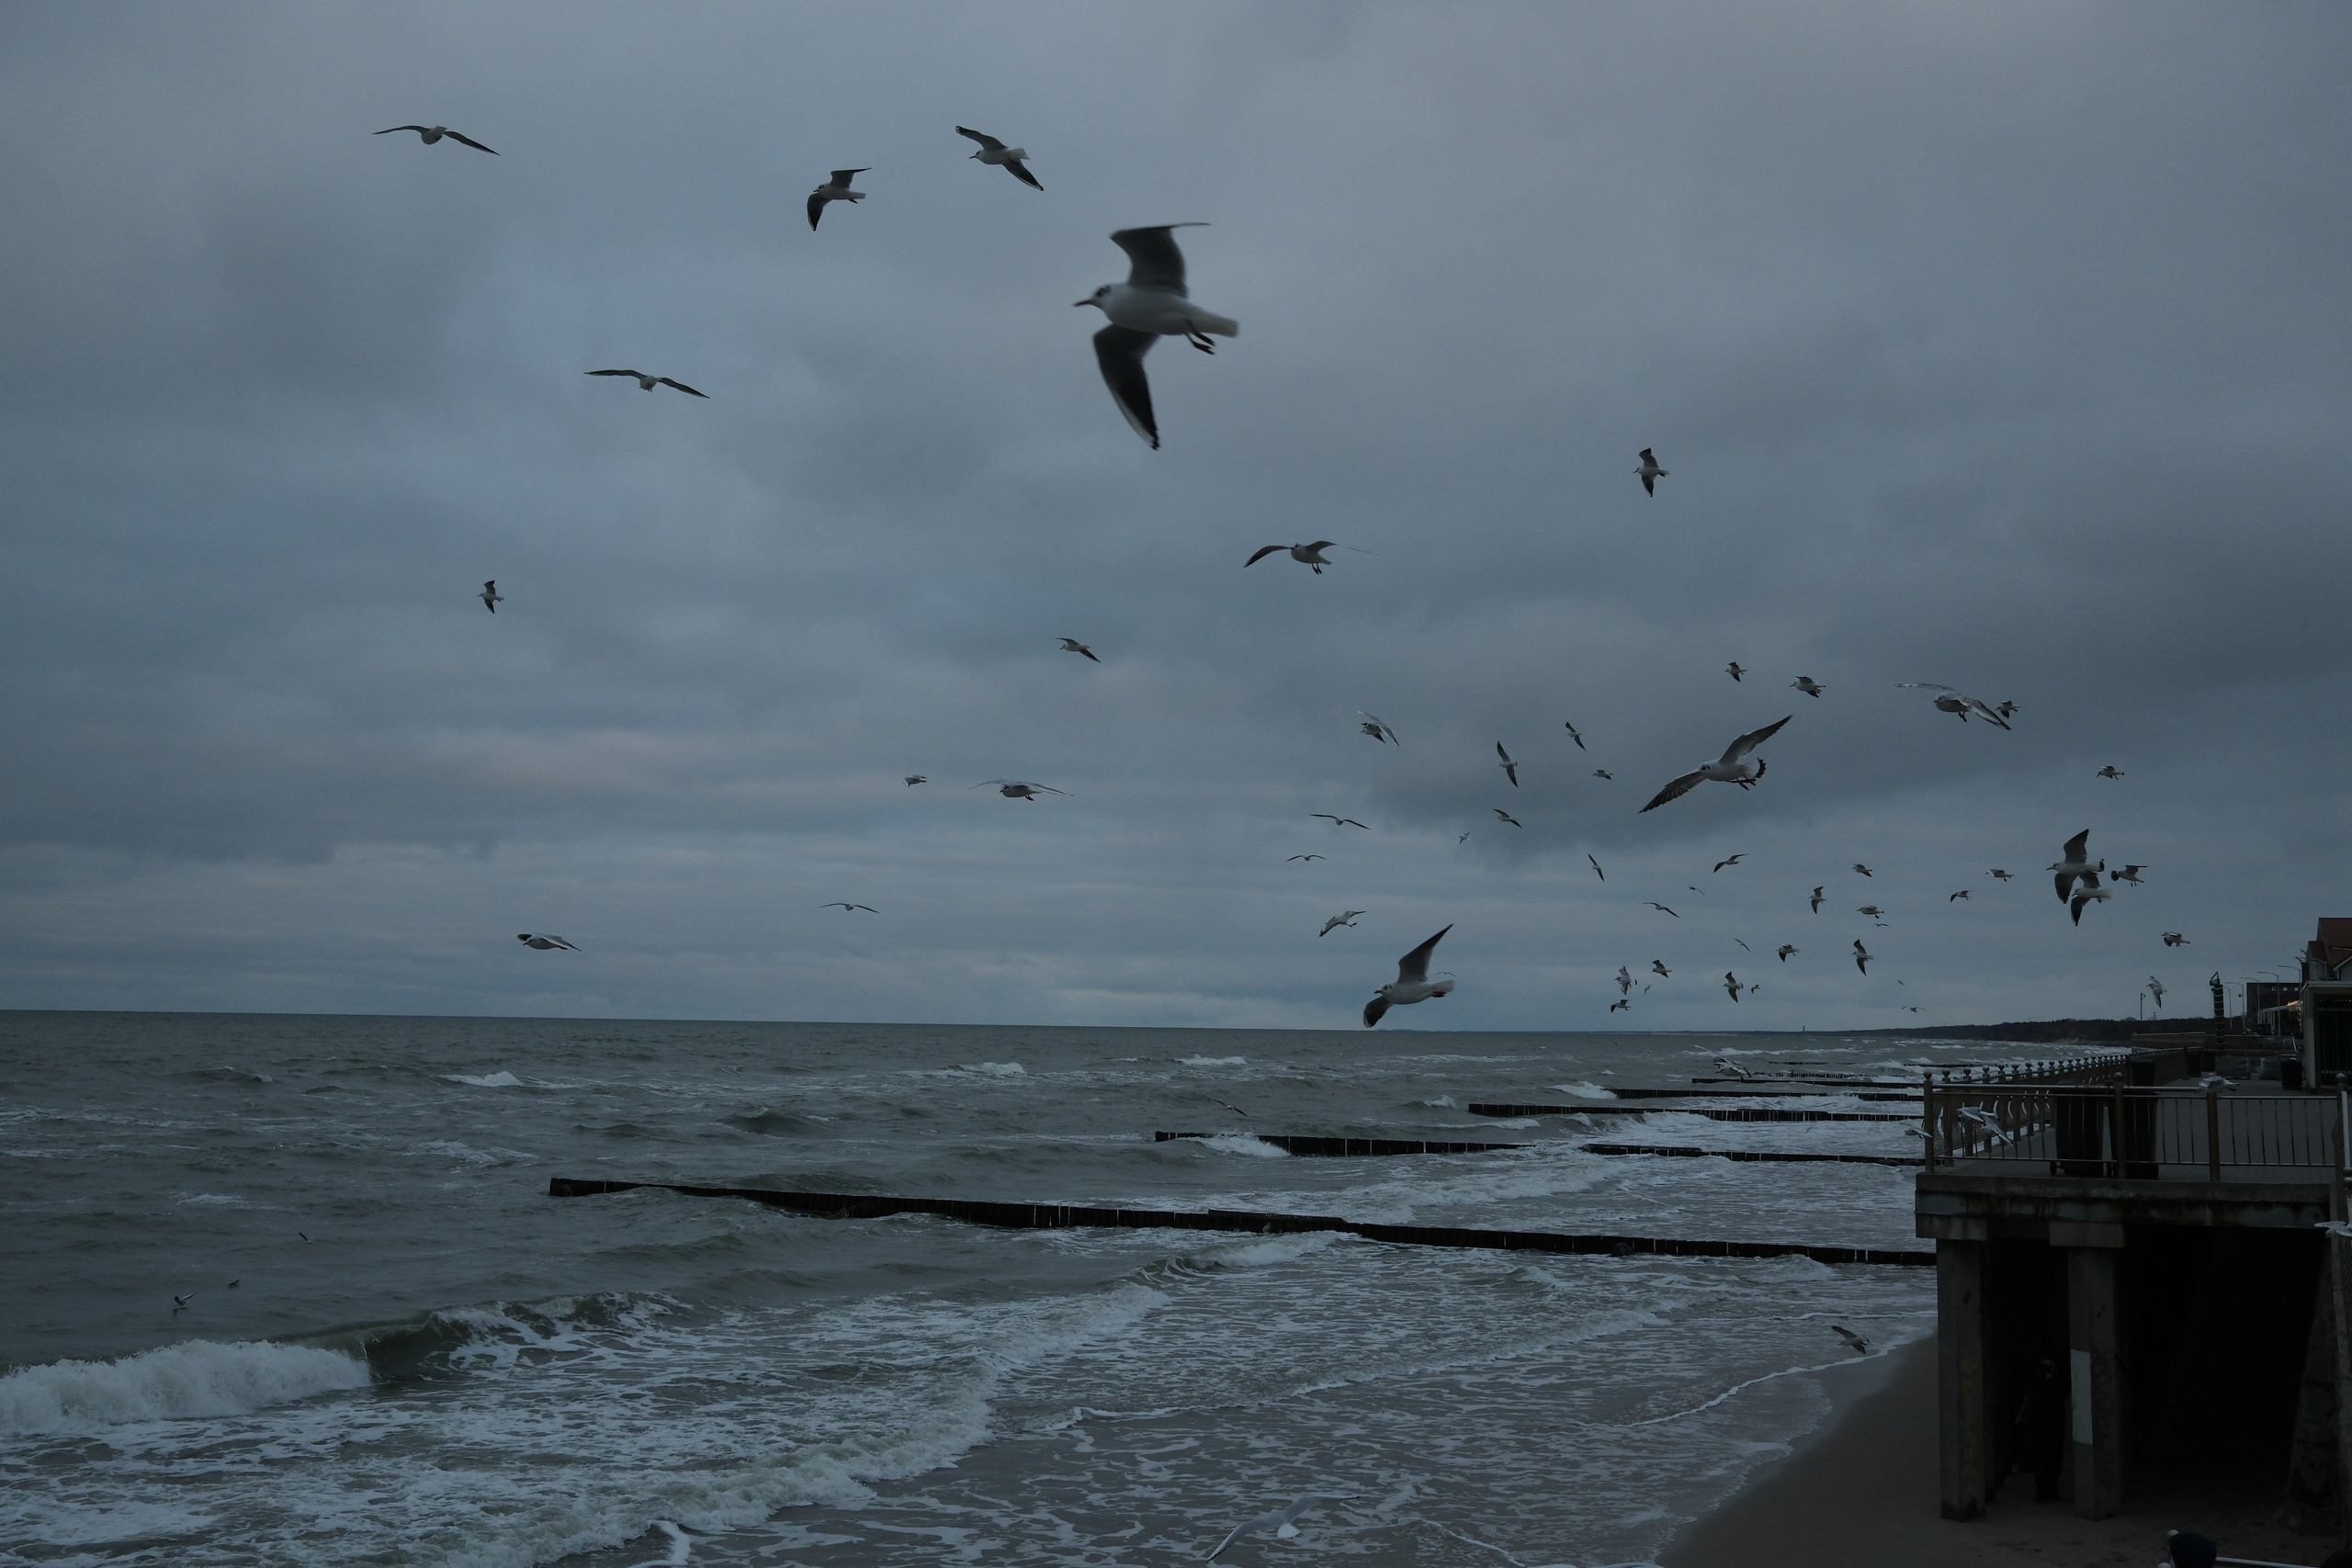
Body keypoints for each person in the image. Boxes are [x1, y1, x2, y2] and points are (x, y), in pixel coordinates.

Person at [2011, 1357, 2064, 1502]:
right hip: (2048, 1426)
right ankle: (2047, 1491)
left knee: (2045, 1459)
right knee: (2049, 1459)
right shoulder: (2048, 1387)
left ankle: (2045, 1491)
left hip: (2043, 1426)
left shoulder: (2039, 1386)